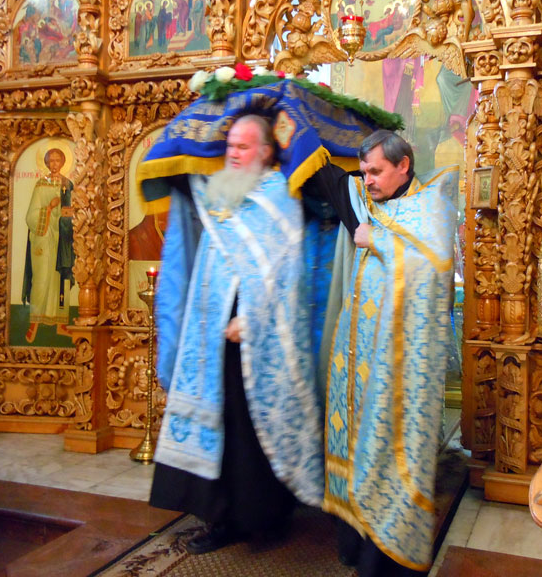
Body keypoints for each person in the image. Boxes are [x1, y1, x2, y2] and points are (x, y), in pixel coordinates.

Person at [149, 115, 323, 555]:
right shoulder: (219, 192)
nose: (233, 153)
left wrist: (252, 318)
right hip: (211, 334)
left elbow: (286, 271)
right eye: (230, 145)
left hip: (258, 338)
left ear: (266, 152)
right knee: (222, 423)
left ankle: (265, 518)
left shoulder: (279, 197)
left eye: (244, 146)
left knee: (251, 429)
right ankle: (222, 518)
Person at [305, 130, 457, 575]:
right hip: (358, 351)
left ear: (403, 165)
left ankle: (386, 555)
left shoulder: (431, 205)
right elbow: (332, 180)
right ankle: (355, 539)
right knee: (354, 441)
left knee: (387, 447)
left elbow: (434, 266)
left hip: (400, 366)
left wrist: (379, 240)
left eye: (375, 171)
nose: (366, 180)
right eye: (363, 171)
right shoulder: (367, 199)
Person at [22, 147, 74, 343]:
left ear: (63, 162)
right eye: (50, 160)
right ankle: (34, 322)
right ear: (46, 163)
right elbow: (31, 215)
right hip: (44, 238)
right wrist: (50, 208)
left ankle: (61, 324)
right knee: (42, 279)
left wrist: (68, 215)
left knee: (61, 279)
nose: (54, 164)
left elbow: (73, 210)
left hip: (62, 238)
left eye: (57, 160)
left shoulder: (67, 184)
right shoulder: (41, 184)